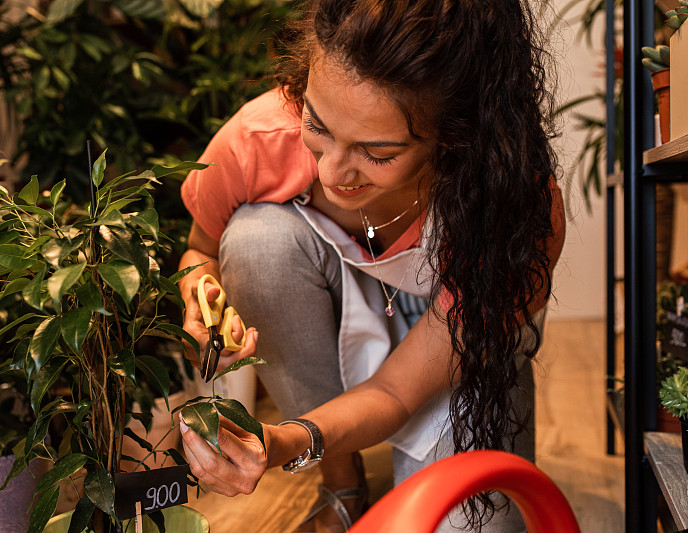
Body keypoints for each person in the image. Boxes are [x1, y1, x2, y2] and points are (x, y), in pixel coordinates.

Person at [176, 0, 566, 531]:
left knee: (463, 521)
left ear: (458, 135)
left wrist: (286, 438)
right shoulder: (259, 137)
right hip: (343, 300)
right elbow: (201, 248)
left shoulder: (514, 209)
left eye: (378, 153)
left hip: (461, 342)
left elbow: (394, 392)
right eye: (317, 125)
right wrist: (200, 293)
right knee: (252, 240)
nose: (333, 172)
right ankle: (342, 480)